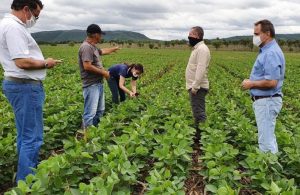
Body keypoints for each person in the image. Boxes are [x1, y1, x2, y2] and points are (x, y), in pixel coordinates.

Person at [0, 0, 62, 182]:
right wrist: (46, 62)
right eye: (36, 15)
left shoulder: (7, 25)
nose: (35, 19)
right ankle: (26, 183)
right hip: (25, 86)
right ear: (26, 9)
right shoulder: (13, 28)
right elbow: (22, 61)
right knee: (32, 137)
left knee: (24, 134)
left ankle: (23, 177)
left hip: (19, 85)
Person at [242, 19, 285, 154]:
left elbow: (272, 82)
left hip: (267, 101)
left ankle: (269, 172)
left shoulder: (270, 53)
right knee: (268, 137)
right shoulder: (267, 50)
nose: (254, 37)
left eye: (256, 33)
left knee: (266, 141)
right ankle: (272, 167)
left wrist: (251, 83)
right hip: (267, 101)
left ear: (267, 33)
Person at [78, 24, 119, 129]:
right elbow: (87, 66)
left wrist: (113, 49)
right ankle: (85, 136)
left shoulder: (93, 47)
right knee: (90, 113)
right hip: (91, 85)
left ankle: (94, 133)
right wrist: (104, 73)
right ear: (95, 34)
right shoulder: (86, 47)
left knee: (100, 110)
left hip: (98, 84)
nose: (101, 37)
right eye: (100, 35)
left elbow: (103, 51)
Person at [185, 26, 211, 144]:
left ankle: (203, 138)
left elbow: (200, 69)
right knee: (196, 111)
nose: (189, 37)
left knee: (199, 112)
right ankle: (198, 136)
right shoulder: (197, 48)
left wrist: (195, 86)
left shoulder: (202, 49)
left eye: (191, 34)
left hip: (198, 88)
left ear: (197, 36)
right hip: (194, 86)